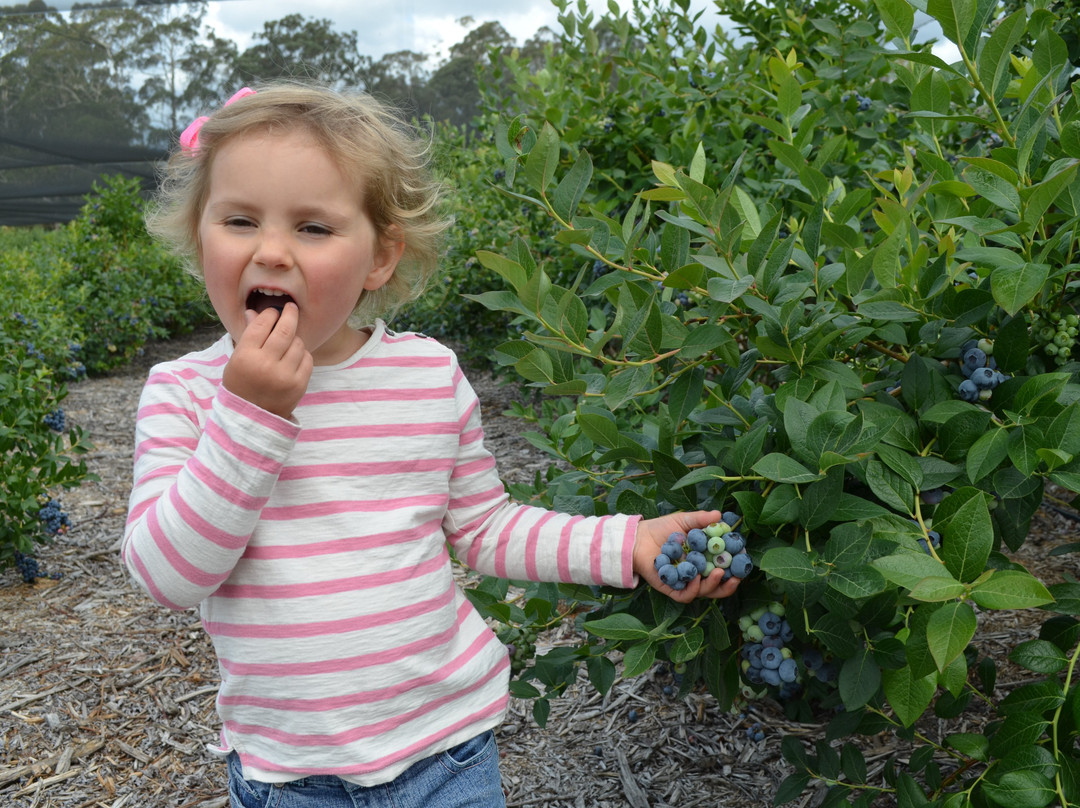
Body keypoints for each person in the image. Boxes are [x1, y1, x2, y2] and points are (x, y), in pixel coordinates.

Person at [122, 82, 741, 808]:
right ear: (199, 233)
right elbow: (167, 576)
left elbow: (485, 528)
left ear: (380, 257)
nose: (271, 251)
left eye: (313, 228)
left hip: (446, 758)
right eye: (238, 220)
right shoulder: (187, 393)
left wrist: (626, 544)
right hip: (290, 778)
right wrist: (248, 415)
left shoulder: (425, 375)